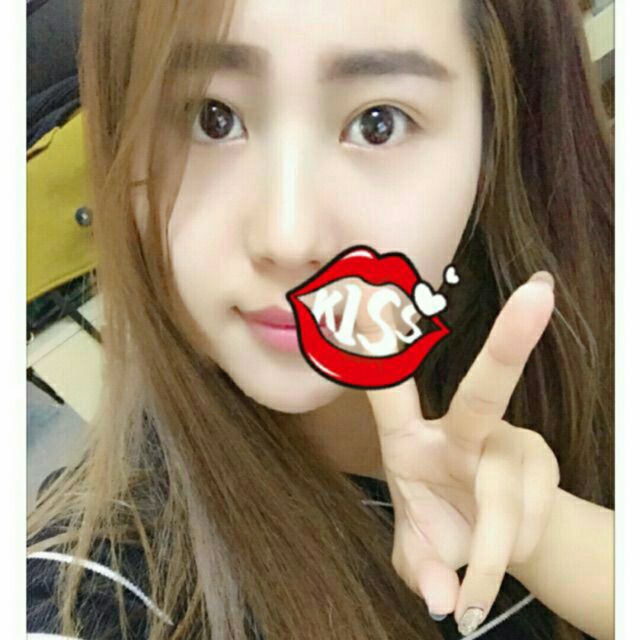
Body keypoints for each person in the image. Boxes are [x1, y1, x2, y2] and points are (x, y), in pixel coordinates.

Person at [26, 0, 614, 639]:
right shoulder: (103, 587)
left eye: (378, 123)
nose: (287, 238)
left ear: (494, 139)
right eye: (211, 118)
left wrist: (550, 535)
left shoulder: (595, 345)